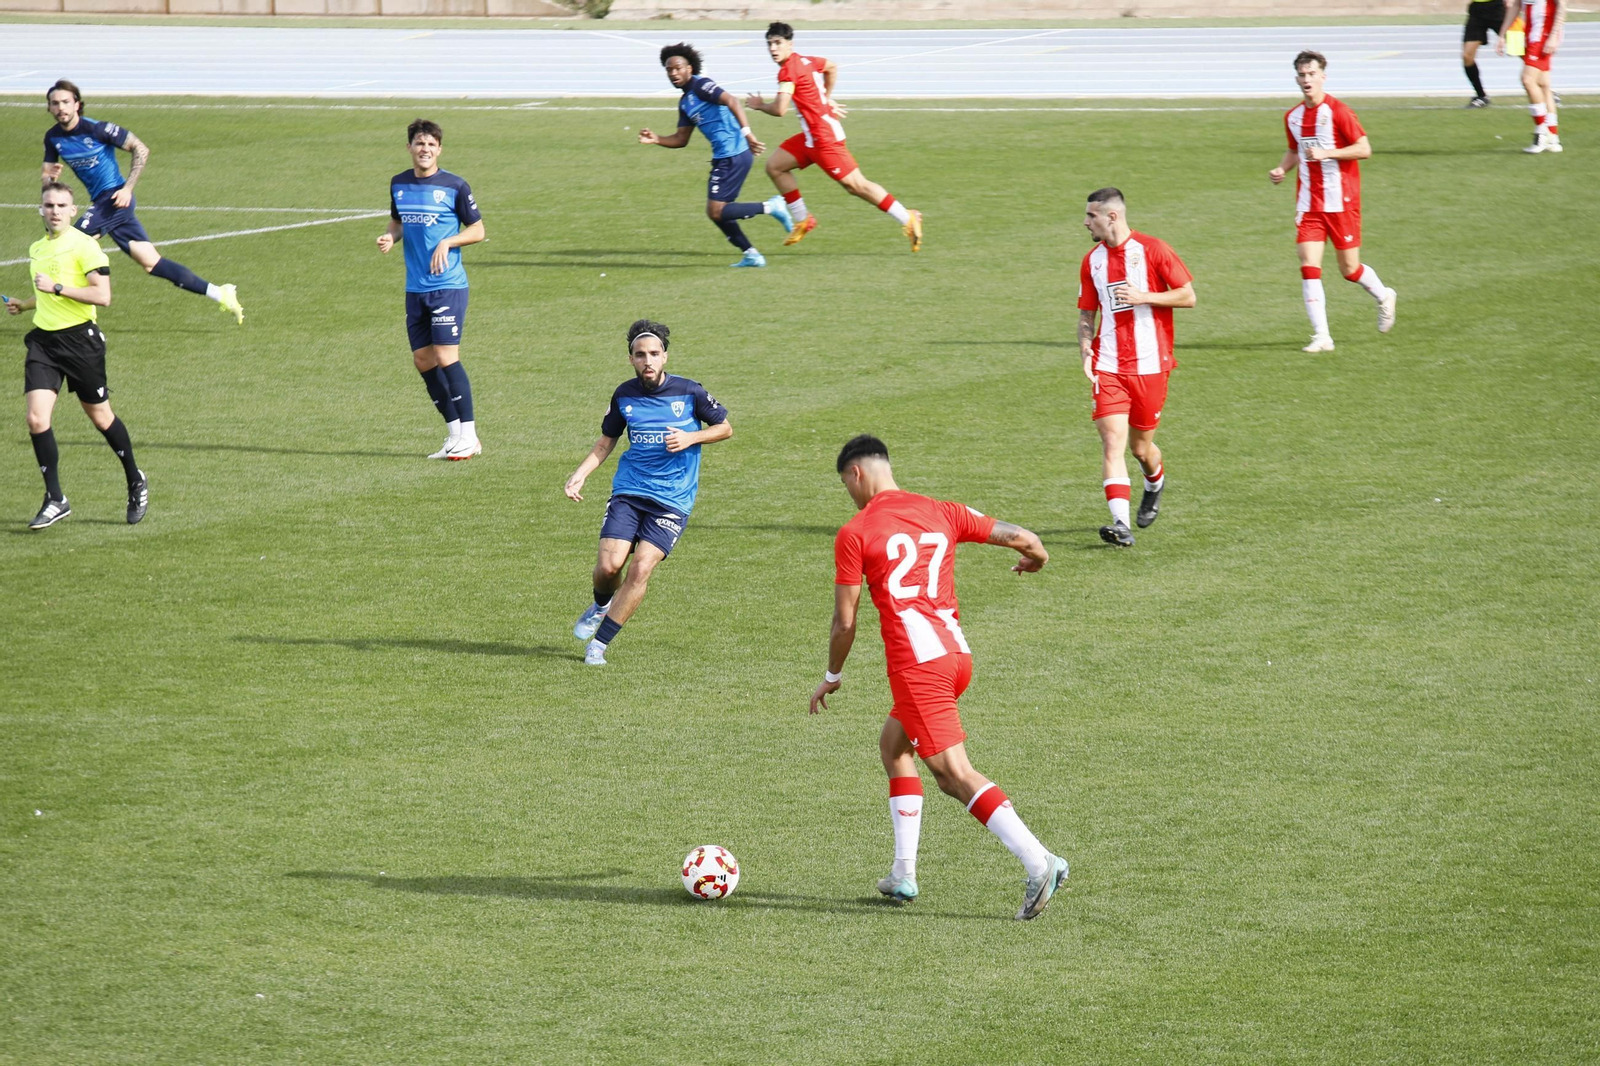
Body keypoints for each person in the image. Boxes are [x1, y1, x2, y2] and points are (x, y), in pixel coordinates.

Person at [810, 434, 1068, 921]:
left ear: (855, 474)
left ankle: (1040, 863)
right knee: (894, 748)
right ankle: (902, 873)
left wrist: (832, 674)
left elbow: (845, 622)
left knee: (954, 775)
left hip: (918, 667)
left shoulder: (856, 532)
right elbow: (1024, 539)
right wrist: (1037, 559)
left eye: (846, 484)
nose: (849, 493)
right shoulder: (943, 511)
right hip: (955, 656)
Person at [565, 320, 732, 666]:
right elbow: (606, 441)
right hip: (629, 492)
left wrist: (691, 437)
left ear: (665, 356)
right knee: (608, 567)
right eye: (640, 355)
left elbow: (724, 427)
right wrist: (579, 475)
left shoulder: (689, 392)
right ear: (631, 359)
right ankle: (600, 605)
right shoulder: (624, 395)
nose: (648, 361)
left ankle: (599, 646)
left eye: (654, 354)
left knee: (640, 568)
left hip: (672, 500)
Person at [40, 79, 244, 325]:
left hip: (114, 197)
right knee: (151, 263)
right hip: (104, 203)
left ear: (77, 104)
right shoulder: (53, 138)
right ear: (49, 107)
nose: (61, 107)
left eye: (65, 102)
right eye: (55, 103)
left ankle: (69, 307)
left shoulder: (98, 129)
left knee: (69, 241)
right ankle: (220, 293)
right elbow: (48, 182)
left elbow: (141, 148)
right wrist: (49, 180)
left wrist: (127, 189)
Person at [6, 182, 147, 530]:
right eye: (48, 205)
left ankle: (135, 479)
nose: (54, 211)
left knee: (101, 418)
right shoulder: (38, 248)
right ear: (40, 210)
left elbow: (102, 296)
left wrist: (56, 288)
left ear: (72, 211)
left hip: (81, 343)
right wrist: (26, 304)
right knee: (36, 419)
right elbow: (46, 293)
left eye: (61, 206)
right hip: (44, 343)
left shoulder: (86, 246)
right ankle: (55, 498)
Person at [1076, 188, 1196, 548]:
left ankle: (1154, 482)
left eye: (1092, 216)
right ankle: (1121, 524)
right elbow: (1087, 313)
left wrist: (1145, 296)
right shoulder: (1092, 261)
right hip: (1108, 364)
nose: (1086, 222)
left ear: (1112, 216)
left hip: (1151, 365)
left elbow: (1188, 296)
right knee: (1112, 441)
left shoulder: (1154, 250)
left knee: (1141, 449)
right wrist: (1086, 348)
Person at [742, 22, 923, 253]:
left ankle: (907, 217)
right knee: (775, 167)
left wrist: (759, 105)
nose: (773, 49)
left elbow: (779, 109)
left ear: (790, 44)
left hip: (824, 139)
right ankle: (803, 219)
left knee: (856, 185)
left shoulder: (788, 71)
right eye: (769, 44)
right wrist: (825, 98)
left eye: (778, 43)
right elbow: (831, 66)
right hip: (810, 137)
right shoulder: (807, 61)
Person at [1269, 51, 1397, 354]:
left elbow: (1364, 149)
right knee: (1309, 266)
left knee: (1349, 269)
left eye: (1312, 74)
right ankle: (1322, 336)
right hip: (1309, 205)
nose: (1307, 80)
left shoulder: (1339, 112)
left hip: (1342, 203)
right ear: (1296, 78)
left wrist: (1328, 153)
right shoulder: (1293, 117)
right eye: (1302, 75)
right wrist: (1282, 169)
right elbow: (1294, 150)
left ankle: (1384, 295)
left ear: (1323, 77)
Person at [378, 119, 486, 460]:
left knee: (446, 356)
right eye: (419, 143)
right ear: (409, 147)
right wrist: (390, 237)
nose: (425, 149)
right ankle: (455, 435)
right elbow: (397, 221)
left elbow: (478, 230)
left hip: (447, 286)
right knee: (423, 359)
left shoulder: (455, 186)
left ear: (439, 149)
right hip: (415, 288)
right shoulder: (399, 183)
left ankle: (470, 434)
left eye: (431, 144)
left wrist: (448, 242)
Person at [638, 43, 794, 267]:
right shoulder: (685, 102)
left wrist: (748, 134)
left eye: (678, 68)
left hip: (733, 154)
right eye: (669, 70)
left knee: (716, 211)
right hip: (725, 156)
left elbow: (732, 101)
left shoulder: (701, 85)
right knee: (719, 212)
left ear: (689, 68)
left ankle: (772, 207)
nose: (673, 73)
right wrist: (657, 139)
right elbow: (681, 139)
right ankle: (751, 255)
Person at [1498, 0, 1566, 152]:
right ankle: (1553, 137)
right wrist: (1502, 34)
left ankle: (1542, 132)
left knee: (1527, 80)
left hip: (1544, 34)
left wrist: (1553, 36)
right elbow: (1516, 5)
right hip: (1531, 33)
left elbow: (1561, 5)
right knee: (1543, 85)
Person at [1462, 0, 1507, 106]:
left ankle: (1542, 86)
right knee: (1467, 57)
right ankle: (1481, 96)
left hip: (1497, 7)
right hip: (1477, 10)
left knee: (1523, 51)